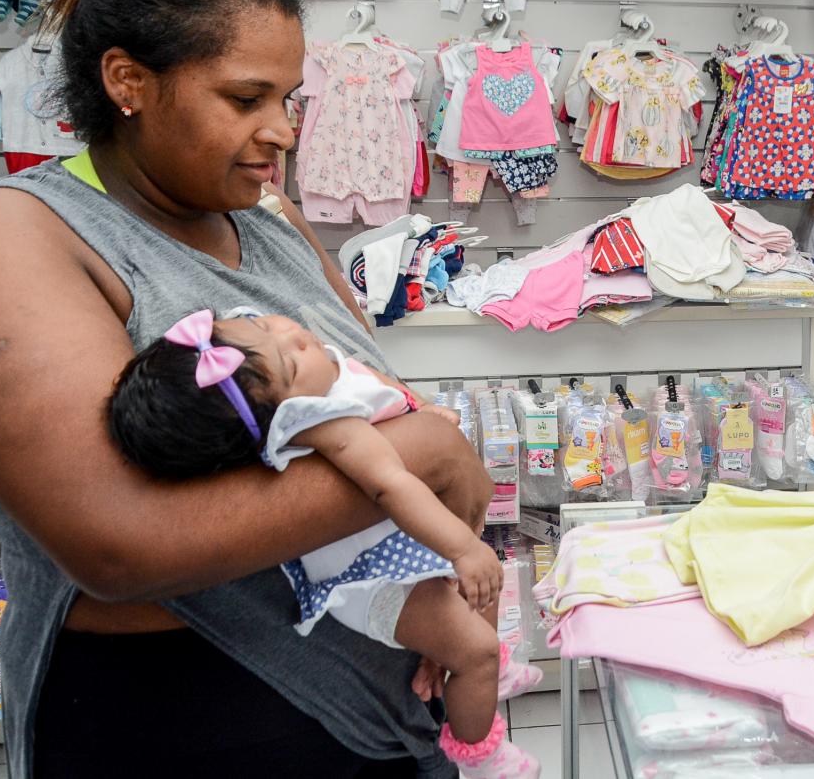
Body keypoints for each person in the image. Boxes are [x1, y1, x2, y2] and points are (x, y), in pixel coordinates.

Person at [0, 0, 494, 778]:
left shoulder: (265, 221)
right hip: (186, 724)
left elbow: (350, 389)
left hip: (382, 712)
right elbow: (118, 545)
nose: (283, 133)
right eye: (245, 99)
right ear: (128, 81)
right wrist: (424, 455)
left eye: (288, 99)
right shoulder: (15, 235)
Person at [106, 307, 538, 777]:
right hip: (374, 576)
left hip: (404, 544)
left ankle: (485, 669)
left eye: (265, 324)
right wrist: (461, 549)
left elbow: (358, 374)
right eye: (288, 363)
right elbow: (390, 481)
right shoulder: (315, 418)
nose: (293, 334)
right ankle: (480, 754)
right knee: (475, 651)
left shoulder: (281, 370)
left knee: (481, 599)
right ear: (280, 415)